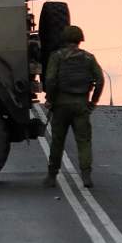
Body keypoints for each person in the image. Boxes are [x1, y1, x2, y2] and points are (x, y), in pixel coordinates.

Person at [43, 25, 105, 189]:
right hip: (81, 104)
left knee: (57, 141)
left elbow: (50, 80)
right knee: (84, 141)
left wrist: (49, 98)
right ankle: (86, 176)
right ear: (80, 39)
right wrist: (93, 102)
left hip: (61, 105)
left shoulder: (57, 57)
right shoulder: (88, 58)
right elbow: (100, 81)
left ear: (64, 39)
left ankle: (51, 176)